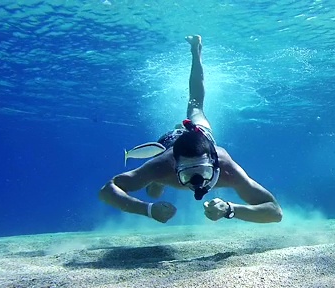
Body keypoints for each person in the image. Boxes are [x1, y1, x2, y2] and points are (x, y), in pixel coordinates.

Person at [99, 35, 283, 224]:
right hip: (169, 143)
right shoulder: (162, 166)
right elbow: (107, 191)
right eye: (187, 174)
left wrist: (231, 209)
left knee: (196, 106)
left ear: (213, 161)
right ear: (175, 166)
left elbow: (275, 212)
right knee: (153, 192)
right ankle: (167, 158)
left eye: (204, 172)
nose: (197, 182)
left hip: (200, 132)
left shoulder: (226, 166)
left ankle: (196, 50)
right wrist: (148, 209)